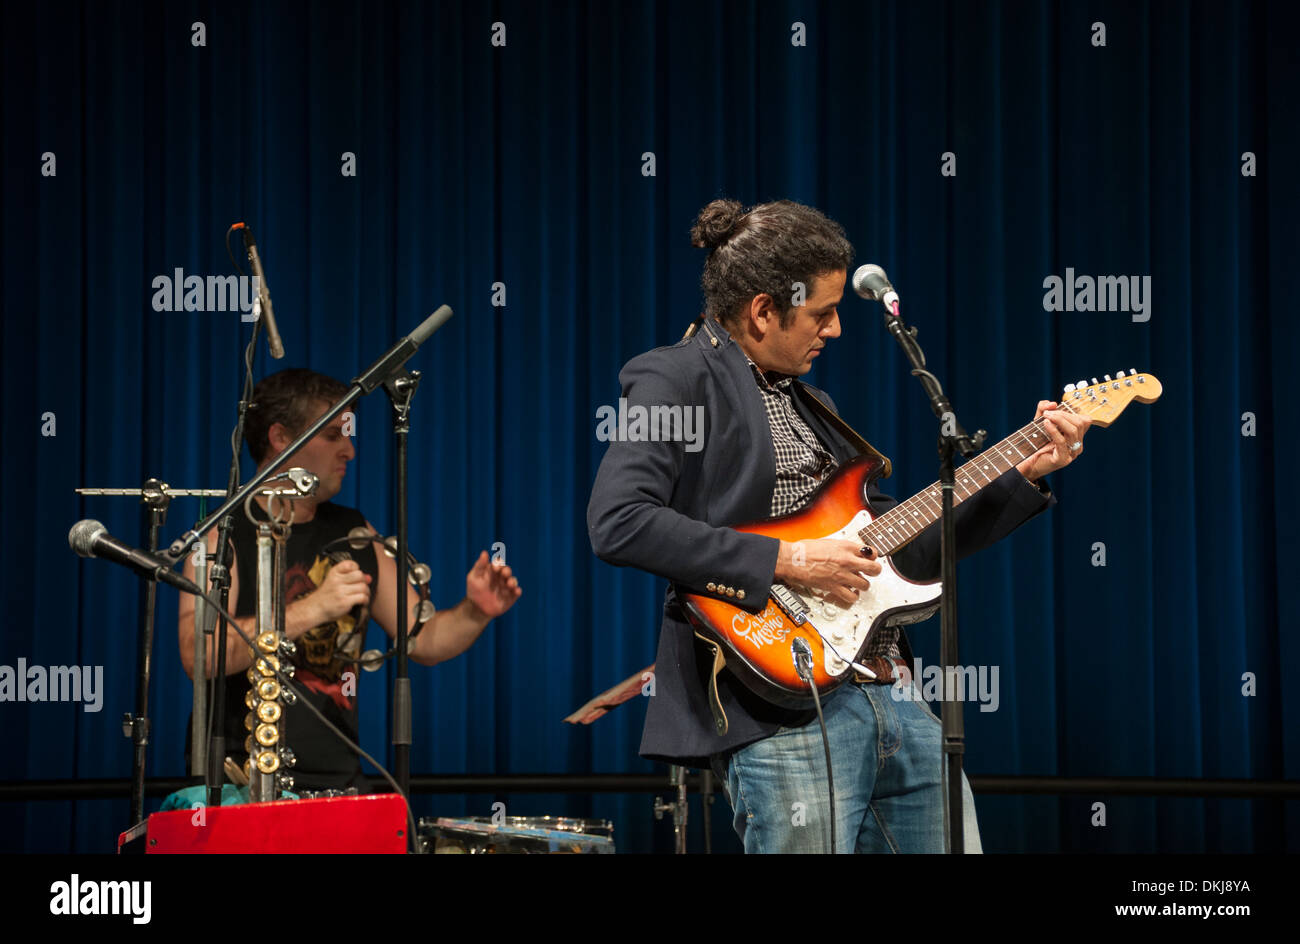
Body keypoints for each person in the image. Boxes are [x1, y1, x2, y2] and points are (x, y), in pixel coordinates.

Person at [587, 198, 1090, 853]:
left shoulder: (814, 404)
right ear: (765, 310)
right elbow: (618, 522)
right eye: (821, 313)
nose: (836, 330)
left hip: (893, 696)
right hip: (780, 712)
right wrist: (788, 561)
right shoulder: (672, 378)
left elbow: (898, 550)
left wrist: (1022, 472)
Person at [178, 368, 521, 792]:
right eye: (333, 436)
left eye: (349, 435)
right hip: (238, 786)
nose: (350, 451)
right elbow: (199, 654)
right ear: (281, 437)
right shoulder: (223, 531)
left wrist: (475, 610)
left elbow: (425, 639)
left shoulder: (356, 533)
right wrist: (314, 607)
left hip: (339, 784)